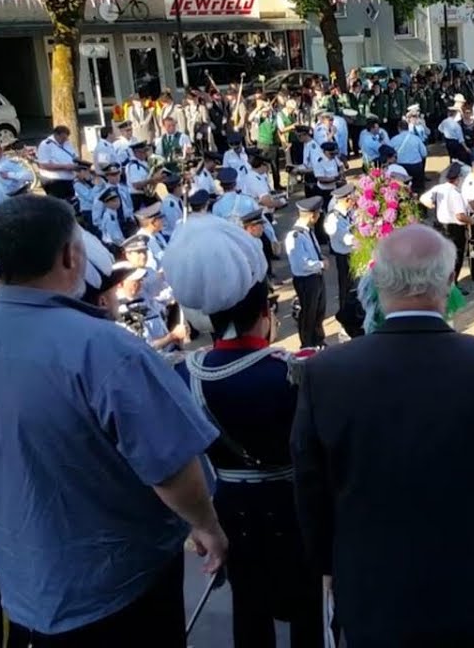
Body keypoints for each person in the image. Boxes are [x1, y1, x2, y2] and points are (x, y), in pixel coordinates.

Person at [0, 195, 226, 645]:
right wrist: (207, 526)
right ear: (69, 255)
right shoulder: (106, 350)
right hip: (120, 596)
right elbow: (173, 470)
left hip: (21, 594)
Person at [292, 224, 474, 646]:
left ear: (379, 282)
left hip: (370, 582)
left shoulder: (326, 371)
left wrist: (327, 565)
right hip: (471, 579)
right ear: (446, 280)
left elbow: (310, 486)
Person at [165, 216, 324, 648]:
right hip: (292, 509)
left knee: (248, 610)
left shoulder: (185, 375)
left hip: (230, 509)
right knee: (307, 610)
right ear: (264, 311)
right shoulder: (294, 372)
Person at [420, 162, 471, 290]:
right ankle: (454, 284)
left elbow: (423, 199)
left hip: (441, 227)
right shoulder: (456, 194)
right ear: (458, 179)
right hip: (455, 228)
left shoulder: (439, 188)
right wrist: (470, 220)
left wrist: (431, 205)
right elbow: (460, 216)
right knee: (456, 257)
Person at [285, 197, 328, 348]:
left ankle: (318, 339)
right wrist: (321, 264)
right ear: (312, 215)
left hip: (316, 277)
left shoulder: (307, 232)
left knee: (319, 311)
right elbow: (302, 264)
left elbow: (313, 251)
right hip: (306, 280)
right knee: (308, 314)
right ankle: (307, 344)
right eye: (317, 214)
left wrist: (320, 258)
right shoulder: (295, 236)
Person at [325, 183, 359, 334]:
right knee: (346, 289)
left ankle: (354, 315)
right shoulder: (334, 218)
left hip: (353, 254)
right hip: (344, 256)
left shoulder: (348, 213)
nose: (354, 200)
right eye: (352, 198)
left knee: (355, 288)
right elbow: (345, 238)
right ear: (346, 199)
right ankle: (346, 320)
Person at [34, 125, 81, 202]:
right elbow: (43, 165)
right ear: (56, 135)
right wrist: (65, 167)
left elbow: (74, 156)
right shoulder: (46, 144)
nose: (64, 140)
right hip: (54, 181)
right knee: (59, 204)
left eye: (66, 138)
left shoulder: (67, 143)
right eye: (62, 138)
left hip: (69, 180)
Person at [0, 141, 31, 210]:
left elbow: (29, 176)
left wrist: (10, 175)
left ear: (0, 151)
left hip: (8, 204)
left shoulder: (9, 163)